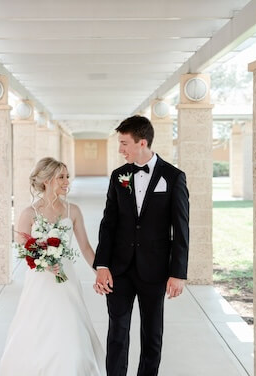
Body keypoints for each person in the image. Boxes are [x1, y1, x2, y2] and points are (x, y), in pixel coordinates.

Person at [93, 115, 189, 376]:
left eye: (124, 143)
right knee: (117, 333)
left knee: (152, 335)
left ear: (142, 142)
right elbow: (108, 223)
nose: (120, 149)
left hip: (155, 270)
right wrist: (102, 265)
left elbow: (181, 229)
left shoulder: (173, 177)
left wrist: (178, 273)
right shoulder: (118, 176)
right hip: (119, 269)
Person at [0, 157, 105, 376]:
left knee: (71, 326)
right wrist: (45, 263)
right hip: (40, 280)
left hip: (67, 280)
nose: (67, 182)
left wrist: (100, 272)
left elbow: (85, 247)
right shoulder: (29, 214)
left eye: (68, 177)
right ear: (46, 180)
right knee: (38, 326)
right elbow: (22, 248)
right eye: (61, 177)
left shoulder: (72, 211)